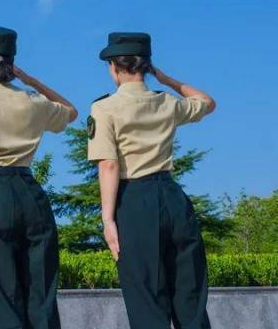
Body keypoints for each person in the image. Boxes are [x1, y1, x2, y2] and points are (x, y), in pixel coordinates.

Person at [0, 26, 77, 329]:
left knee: (3, 299)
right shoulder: (33, 101)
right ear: (10, 63)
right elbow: (70, 112)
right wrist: (30, 80)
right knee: (42, 298)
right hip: (30, 192)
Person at [88, 32, 216, 329]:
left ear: (113, 67)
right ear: (146, 66)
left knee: (146, 300)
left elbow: (108, 165)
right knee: (190, 297)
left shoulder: (104, 108)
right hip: (172, 197)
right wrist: (166, 79)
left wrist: (107, 220)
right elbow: (207, 103)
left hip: (134, 201)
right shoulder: (167, 103)